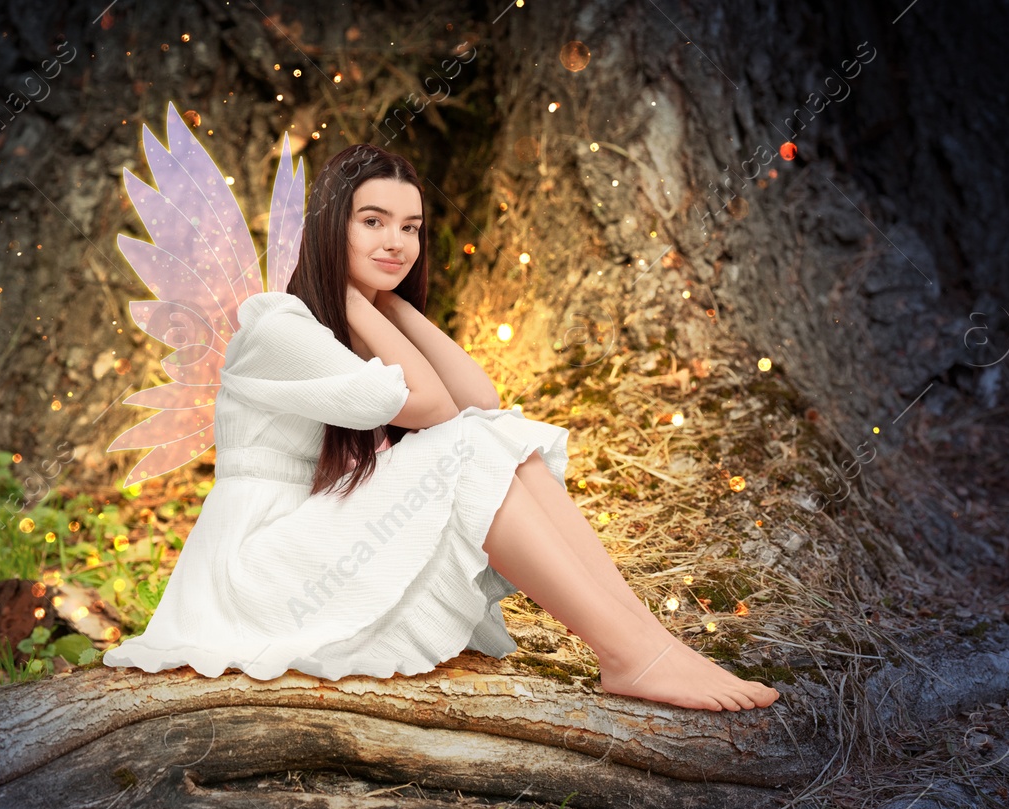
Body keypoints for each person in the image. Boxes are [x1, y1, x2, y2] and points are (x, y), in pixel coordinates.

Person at [103, 143, 778, 713]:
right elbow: (435, 409)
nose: (396, 241)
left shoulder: (358, 327)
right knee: (467, 444)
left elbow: (481, 401)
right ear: (332, 226)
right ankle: (631, 653)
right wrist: (349, 296)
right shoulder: (274, 321)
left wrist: (385, 301)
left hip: (308, 543)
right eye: (372, 221)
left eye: (411, 227)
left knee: (498, 440)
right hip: (257, 570)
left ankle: (646, 643)